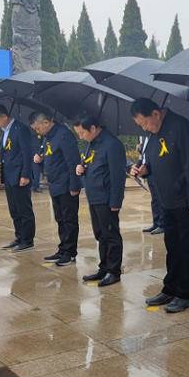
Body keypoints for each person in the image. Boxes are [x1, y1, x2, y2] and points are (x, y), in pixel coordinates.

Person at [129, 98, 189, 314]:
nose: (145, 128)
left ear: (155, 113)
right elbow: (153, 162)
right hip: (167, 201)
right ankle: (170, 288)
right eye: (140, 125)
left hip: (187, 202)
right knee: (173, 248)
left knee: (188, 249)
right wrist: (144, 170)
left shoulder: (181, 127)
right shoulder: (154, 134)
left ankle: (184, 293)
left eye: (145, 123)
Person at [74, 116, 126, 287]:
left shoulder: (112, 144)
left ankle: (114, 271)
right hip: (94, 196)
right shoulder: (92, 144)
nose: (81, 137)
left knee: (111, 235)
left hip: (106, 198)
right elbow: (92, 166)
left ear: (93, 128)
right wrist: (81, 169)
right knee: (100, 234)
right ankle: (104, 268)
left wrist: (116, 201)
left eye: (82, 133)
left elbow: (118, 176)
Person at [29, 111, 82, 267]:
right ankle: (63, 248)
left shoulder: (64, 135)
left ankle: (70, 252)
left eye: (37, 128)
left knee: (69, 219)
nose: (37, 131)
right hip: (54, 184)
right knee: (60, 219)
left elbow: (73, 162)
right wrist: (40, 160)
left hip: (66, 185)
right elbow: (50, 157)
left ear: (46, 122)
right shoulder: (48, 136)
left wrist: (74, 185)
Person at [0, 104, 36, 252]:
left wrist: (25, 175)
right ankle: (19, 237)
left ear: (4, 117)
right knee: (14, 209)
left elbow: (27, 153)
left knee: (24, 209)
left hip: (20, 176)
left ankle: (27, 240)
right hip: (8, 175)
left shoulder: (20, 129)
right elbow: (9, 151)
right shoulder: (5, 131)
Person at [138, 135, 165, 235]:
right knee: (154, 200)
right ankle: (156, 223)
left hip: (156, 171)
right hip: (148, 171)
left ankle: (162, 224)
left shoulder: (156, 137)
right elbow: (144, 157)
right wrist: (138, 166)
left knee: (159, 198)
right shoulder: (145, 138)